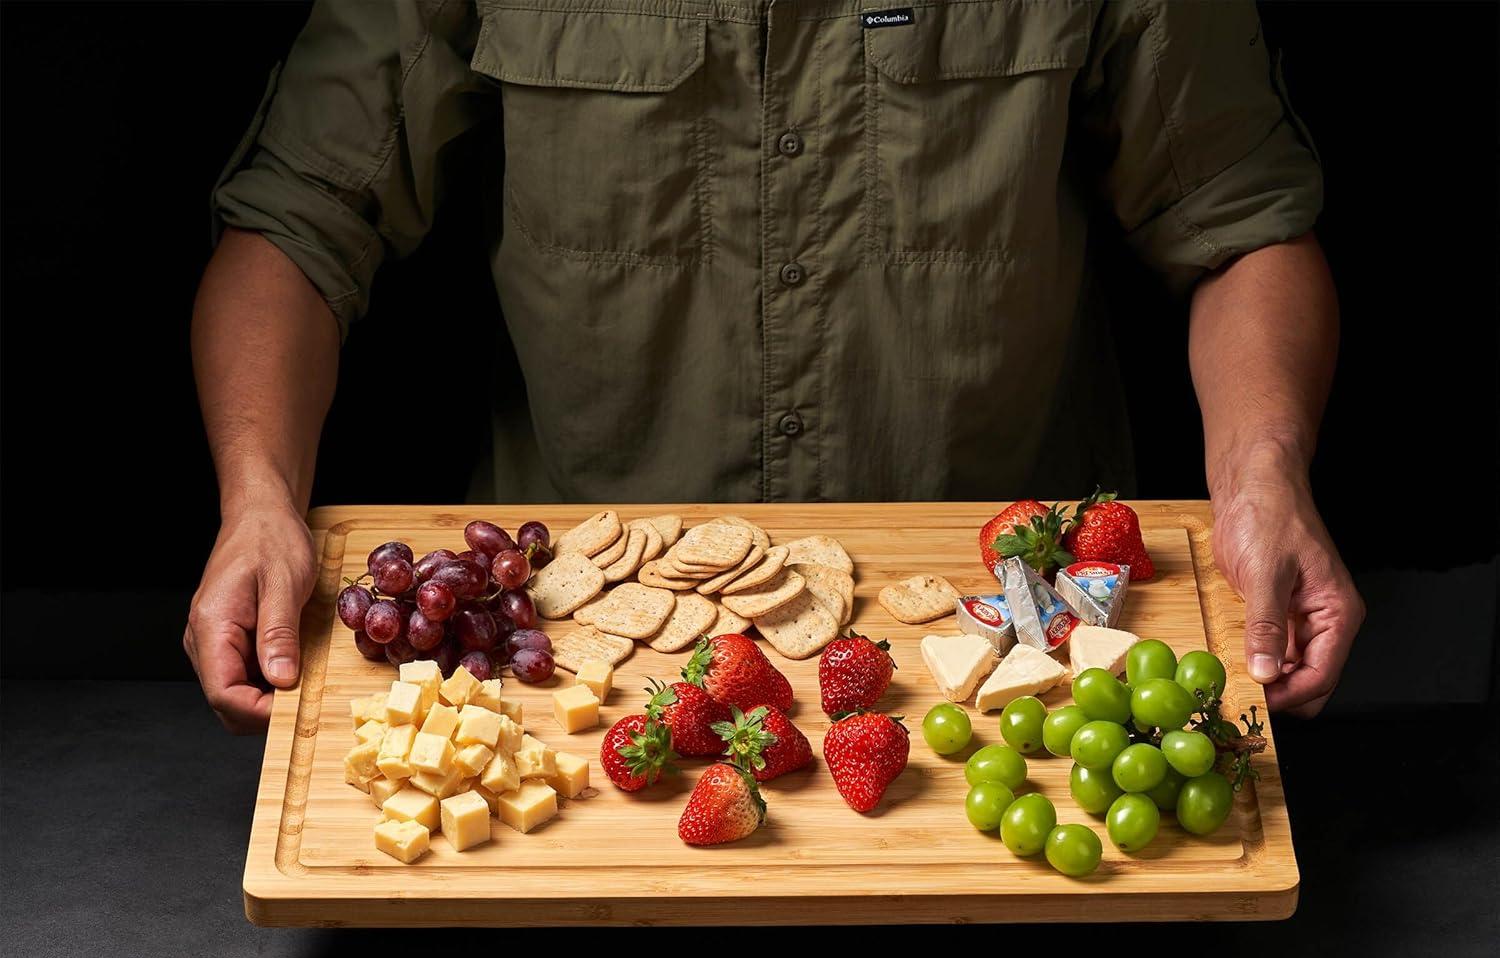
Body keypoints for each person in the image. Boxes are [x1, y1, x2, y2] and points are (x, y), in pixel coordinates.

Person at [186, 1, 1363, 733]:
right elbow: (298, 219)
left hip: (1021, 654)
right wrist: (257, 499)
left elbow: (1240, 216)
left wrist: (1266, 475)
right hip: (566, 661)